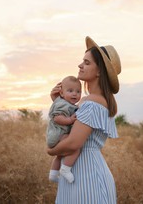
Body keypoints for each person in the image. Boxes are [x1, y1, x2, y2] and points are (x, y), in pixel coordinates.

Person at [47, 36, 121, 204]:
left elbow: (73, 143)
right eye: (82, 61)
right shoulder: (92, 101)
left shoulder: (92, 102)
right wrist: (58, 103)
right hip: (78, 173)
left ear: (99, 71)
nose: (80, 65)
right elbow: (73, 126)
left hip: (87, 176)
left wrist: (51, 151)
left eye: (87, 63)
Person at [46, 76, 82, 183]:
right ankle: (65, 169)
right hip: (59, 134)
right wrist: (70, 120)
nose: (75, 94)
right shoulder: (63, 104)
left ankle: (53, 175)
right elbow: (57, 118)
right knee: (74, 149)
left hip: (55, 136)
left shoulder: (61, 103)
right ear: (62, 93)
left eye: (78, 91)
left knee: (59, 156)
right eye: (70, 91)